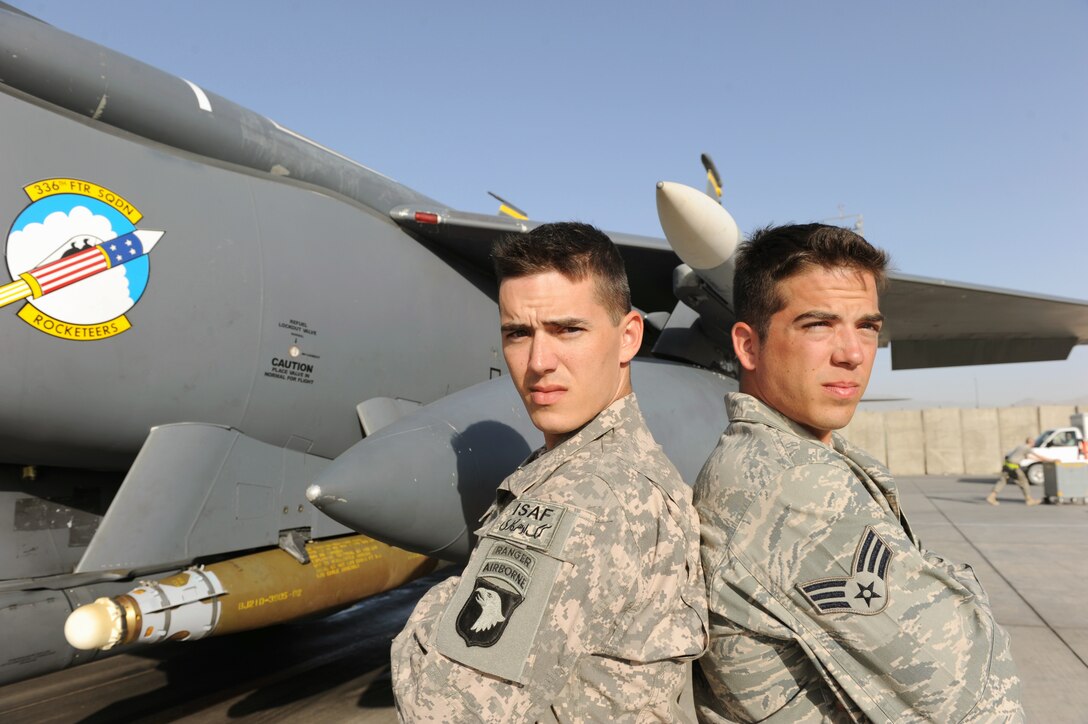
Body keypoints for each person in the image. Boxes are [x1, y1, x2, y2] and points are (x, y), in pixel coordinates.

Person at [693, 224, 1023, 722]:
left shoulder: (804, 454)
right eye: (817, 325)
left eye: (866, 326)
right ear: (749, 345)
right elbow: (971, 693)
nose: (852, 353)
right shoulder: (792, 484)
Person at [391, 222, 708, 721]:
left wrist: (438, 605)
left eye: (568, 330)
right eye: (518, 333)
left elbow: (445, 710)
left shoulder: (587, 494)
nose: (538, 362)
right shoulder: (617, 468)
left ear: (628, 338)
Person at [987, 437, 1050, 506]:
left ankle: (991, 497)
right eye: (1033, 442)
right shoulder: (1027, 448)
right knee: (1023, 481)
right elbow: (1037, 456)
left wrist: (1038, 460)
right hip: (1014, 467)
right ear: (1031, 442)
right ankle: (1029, 500)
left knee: (1002, 481)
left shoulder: (1021, 446)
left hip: (1006, 465)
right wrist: (1050, 460)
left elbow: (1027, 457)